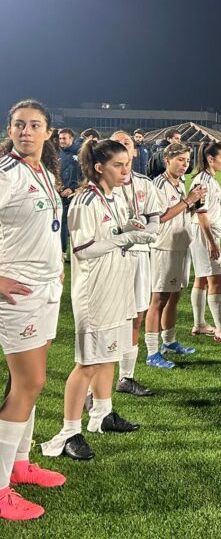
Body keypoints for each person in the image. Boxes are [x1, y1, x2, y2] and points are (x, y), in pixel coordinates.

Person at [42, 139, 155, 462]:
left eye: (127, 165)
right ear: (98, 167)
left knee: (110, 355)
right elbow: (82, 249)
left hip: (116, 283)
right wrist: (127, 236)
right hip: (95, 292)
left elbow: (110, 234)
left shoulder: (112, 197)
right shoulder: (84, 201)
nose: (125, 171)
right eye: (118, 165)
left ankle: (102, 413)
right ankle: (68, 431)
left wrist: (127, 227)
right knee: (88, 363)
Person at [0, 100, 66, 521]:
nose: (26, 131)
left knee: (31, 385)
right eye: (19, 124)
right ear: (9, 129)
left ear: (48, 132)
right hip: (17, 292)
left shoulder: (42, 171)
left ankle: (21, 464)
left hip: (45, 287)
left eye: (34, 125)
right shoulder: (6, 173)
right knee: (29, 383)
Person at [110, 131, 162, 397]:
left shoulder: (145, 184)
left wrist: (144, 233)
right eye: (115, 143)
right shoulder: (102, 185)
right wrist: (125, 231)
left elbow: (156, 220)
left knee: (136, 315)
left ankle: (126, 377)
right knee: (110, 317)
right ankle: (95, 382)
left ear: (133, 152)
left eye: (126, 144)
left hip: (140, 255)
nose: (121, 147)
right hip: (111, 258)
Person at [145, 143, 204, 369]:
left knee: (174, 296)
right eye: (180, 160)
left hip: (181, 244)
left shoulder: (180, 183)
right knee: (158, 299)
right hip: (164, 246)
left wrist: (194, 202)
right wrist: (188, 200)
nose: (184, 165)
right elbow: (160, 217)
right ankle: (152, 352)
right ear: (167, 159)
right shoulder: (158, 184)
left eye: (187, 161)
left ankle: (169, 341)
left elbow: (181, 211)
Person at [189, 142, 221, 345]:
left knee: (202, 278)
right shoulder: (203, 181)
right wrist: (211, 242)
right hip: (204, 234)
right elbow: (201, 213)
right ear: (210, 159)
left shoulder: (208, 178)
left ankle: (199, 324)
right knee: (216, 280)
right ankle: (220, 329)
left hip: (204, 233)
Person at [58, 128, 82, 258]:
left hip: (75, 193)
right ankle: (62, 251)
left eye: (64, 138)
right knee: (61, 222)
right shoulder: (56, 153)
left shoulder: (79, 153)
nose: (62, 141)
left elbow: (84, 175)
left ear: (71, 139)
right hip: (60, 193)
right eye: (60, 138)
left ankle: (77, 250)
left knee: (75, 223)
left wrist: (73, 188)